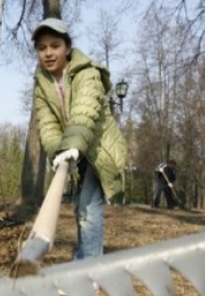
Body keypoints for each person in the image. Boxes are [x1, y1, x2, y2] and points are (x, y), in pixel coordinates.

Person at [31, 18, 127, 260]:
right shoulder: (42, 83)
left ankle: (89, 269)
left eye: (55, 46)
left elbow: (84, 112)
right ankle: (84, 259)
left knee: (88, 207)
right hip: (76, 150)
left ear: (68, 48)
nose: (48, 53)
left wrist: (72, 145)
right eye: (42, 48)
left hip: (100, 150)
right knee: (80, 208)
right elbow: (48, 124)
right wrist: (57, 152)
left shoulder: (87, 73)